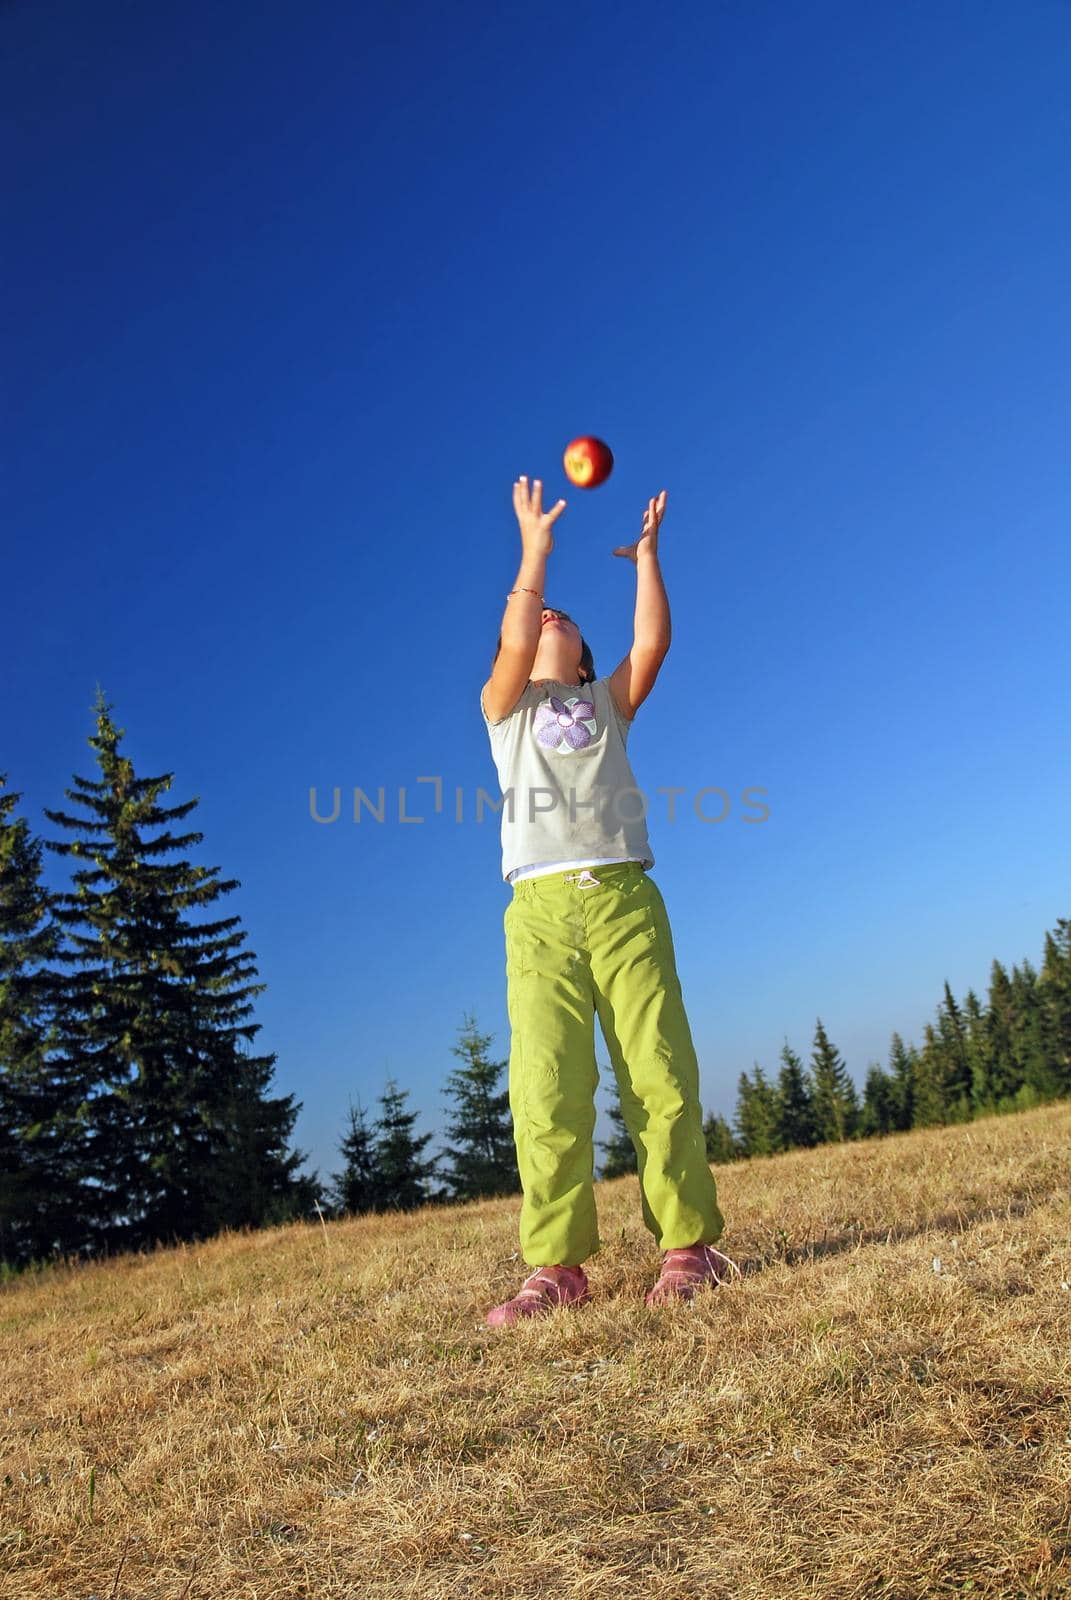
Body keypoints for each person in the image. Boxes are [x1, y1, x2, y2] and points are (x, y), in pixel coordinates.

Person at [479, 474, 739, 1327]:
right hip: (540, 915)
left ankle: (686, 1245)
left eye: (563, 617)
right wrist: (534, 556)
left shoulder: (606, 705)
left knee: (657, 1070)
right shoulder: (505, 709)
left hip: (624, 897)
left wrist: (648, 561)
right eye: (540, 617)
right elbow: (517, 633)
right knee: (546, 1085)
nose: (550, 619)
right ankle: (556, 1266)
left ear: (585, 657)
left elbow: (653, 643)